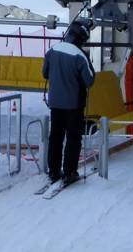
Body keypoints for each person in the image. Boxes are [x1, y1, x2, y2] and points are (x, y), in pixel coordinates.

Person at [41, 18, 96, 187]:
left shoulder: (52, 50)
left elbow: (45, 73)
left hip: (55, 102)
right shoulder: (80, 55)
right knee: (73, 137)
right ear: (82, 38)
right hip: (74, 104)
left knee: (55, 136)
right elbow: (90, 80)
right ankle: (69, 172)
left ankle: (53, 171)